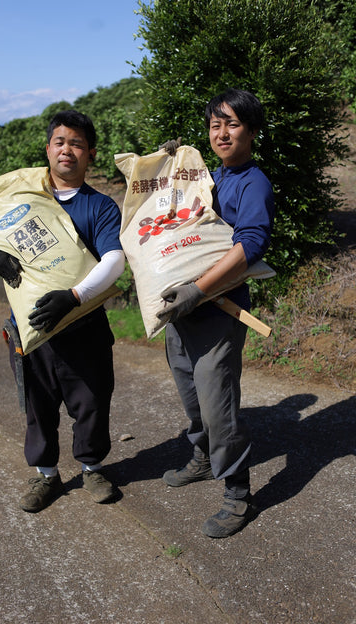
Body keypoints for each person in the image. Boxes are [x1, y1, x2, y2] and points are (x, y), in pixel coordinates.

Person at [0, 110, 125, 512]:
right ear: (48, 149)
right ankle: (45, 475)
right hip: (30, 330)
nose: (68, 150)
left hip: (84, 325)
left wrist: (75, 296)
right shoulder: (24, 201)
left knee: (93, 400)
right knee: (37, 404)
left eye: (78, 144)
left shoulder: (99, 207)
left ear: (91, 154)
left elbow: (114, 259)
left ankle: (92, 467)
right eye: (60, 142)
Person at [157, 88, 275, 538]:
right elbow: (168, 212)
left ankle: (238, 495)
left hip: (218, 312)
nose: (222, 133)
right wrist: (168, 167)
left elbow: (250, 245)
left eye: (232, 124)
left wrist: (197, 290)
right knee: (191, 397)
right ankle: (202, 458)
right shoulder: (209, 177)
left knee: (218, 406)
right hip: (182, 312)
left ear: (252, 130)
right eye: (214, 125)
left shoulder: (253, 182)